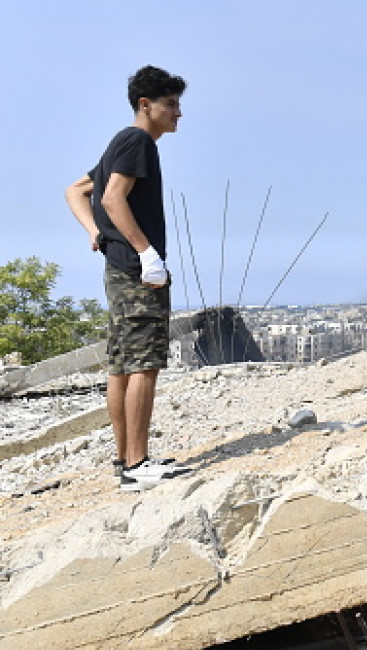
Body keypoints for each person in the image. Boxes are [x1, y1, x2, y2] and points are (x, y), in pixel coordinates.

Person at [64, 65, 191, 491]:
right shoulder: (137, 141)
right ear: (145, 104)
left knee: (121, 366)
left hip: (118, 269)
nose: (178, 113)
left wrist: (96, 232)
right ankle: (137, 466)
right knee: (144, 364)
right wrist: (146, 252)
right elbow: (114, 197)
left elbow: (78, 191)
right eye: (171, 104)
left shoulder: (120, 144)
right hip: (136, 272)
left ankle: (126, 461)